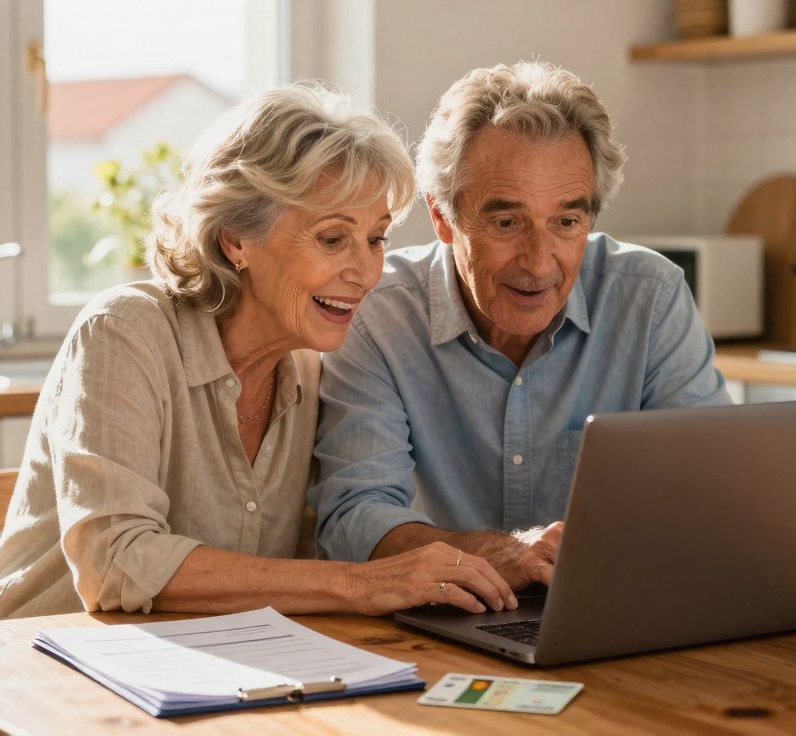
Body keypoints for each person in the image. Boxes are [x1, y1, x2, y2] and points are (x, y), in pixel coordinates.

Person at [0, 82, 518, 622]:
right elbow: (116, 560)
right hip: (34, 668)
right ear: (235, 239)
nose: (366, 272)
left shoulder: (309, 362)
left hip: (198, 670)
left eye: (376, 239)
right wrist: (361, 584)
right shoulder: (125, 331)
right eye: (332, 239)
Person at [310, 62, 730, 590]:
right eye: (506, 222)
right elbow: (354, 515)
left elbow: (712, 491)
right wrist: (502, 556)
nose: (538, 263)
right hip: (436, 616)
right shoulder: (377, 313)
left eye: (566, 222)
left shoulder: (650, 297)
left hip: (612, 609)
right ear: (441, 215)